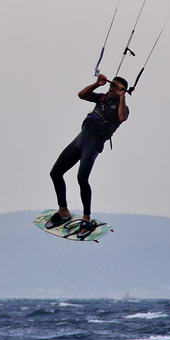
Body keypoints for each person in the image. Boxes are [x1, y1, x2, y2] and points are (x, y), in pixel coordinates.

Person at [47, 74, 130, 239]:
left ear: (122, 90)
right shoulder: (102, 98)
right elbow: (82, 95)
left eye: (115, 87)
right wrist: (97, 84)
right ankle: (63, 211)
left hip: (93, 145)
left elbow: (122, 117)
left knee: (82, 179)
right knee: (55, 173)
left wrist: (122, 97)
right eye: (111, 85)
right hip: (80, 140)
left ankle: (86, 219)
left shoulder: (123, 107)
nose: (111, 88)